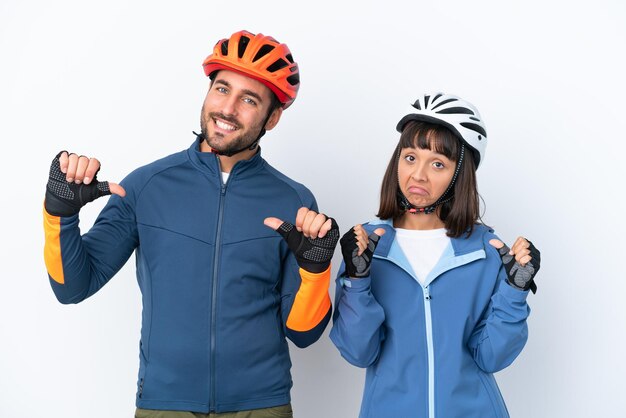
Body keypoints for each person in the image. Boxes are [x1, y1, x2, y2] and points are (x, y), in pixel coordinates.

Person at [43, 30, 340, 418]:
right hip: (165, 404)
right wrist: (60, 215)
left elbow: (302, 333)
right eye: (221, 89)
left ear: (274, 117)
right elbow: (73, 288)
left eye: (249, 100)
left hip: (261, 405)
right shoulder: (146, 186)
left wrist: (316, 272)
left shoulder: (294, 201)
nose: (228, 109)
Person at [329, 93, 541, 418]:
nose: (418, 175)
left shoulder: (485, 249)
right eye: (410, 157)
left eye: (438, 164)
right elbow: (360, 352)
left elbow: (492, 358)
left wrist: (515, 291)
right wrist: (357, 282)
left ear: (461, 175)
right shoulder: (367, 246)